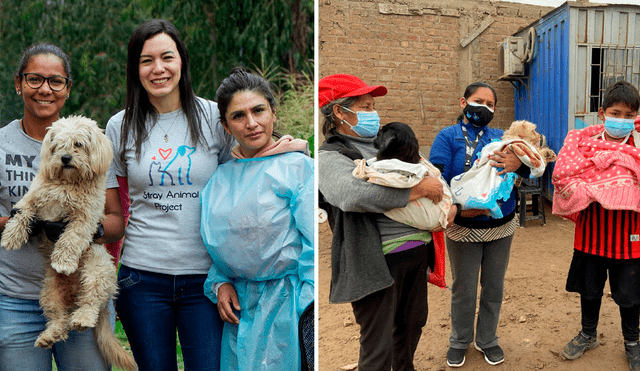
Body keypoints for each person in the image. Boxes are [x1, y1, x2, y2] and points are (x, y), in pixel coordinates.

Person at [105, 19, 226, 371]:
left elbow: (249, 168)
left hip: (207, 279)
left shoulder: (214, 117)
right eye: (146, 60)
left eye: (167, 57)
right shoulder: (119, 126)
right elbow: (115, 211)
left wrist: (290, 146)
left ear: (182, 61)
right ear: (135, 68)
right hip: (142, 280)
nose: (158, 69)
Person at [318, 73, 456, 371]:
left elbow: (430, 171)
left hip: (416, 253)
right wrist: (418, 191)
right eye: (365, 107)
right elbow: (350, 194)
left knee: (411, 326)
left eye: (372, 106)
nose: (372, 113)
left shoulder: (385, 143)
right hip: (374, 261)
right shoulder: (331, 156)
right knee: (377, 345)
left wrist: (449, 203)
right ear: (340, 112)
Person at [0, 43, 124, 371]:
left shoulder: (92, 146)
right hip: (15, 302)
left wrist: (89, 230)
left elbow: (116, 220)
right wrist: (22, 222)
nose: (45, 89)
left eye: (55, 81)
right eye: (34, 79)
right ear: (18, 83)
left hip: (84, 286)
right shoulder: (1, 144)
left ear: (67, 89)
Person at [200, 67, 314, 371]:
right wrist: (220, 282)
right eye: (238, 116)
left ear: (274, 113)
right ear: (225, 125)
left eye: (259, 110)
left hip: (289, 306)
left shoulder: (299, 168)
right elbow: (220, 245)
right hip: (241, 313)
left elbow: (312, 245)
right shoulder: (219, 180)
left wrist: (308, 309)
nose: (251, 123)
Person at [429, 81, 529, 367]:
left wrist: (517, 166)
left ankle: (487, 340)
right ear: (463, 103)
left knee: (494, 287)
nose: (484, 107)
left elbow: (532, 167)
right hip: (462, 227)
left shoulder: (502, 137)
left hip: (500, 226)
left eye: (490, 104)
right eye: (479, 101)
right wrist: (459, 208)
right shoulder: (447, 137)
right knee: (464, 289)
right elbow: (439, 177)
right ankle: (459, 341)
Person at [552, 80, 640, 371]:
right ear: (602, 113)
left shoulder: (639, 145)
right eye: (617, 113)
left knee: (629, 295)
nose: (622, 120)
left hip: (630, 236)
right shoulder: (582, 143)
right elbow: (565, 176)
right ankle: (588, 334)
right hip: (592, 233)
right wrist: (596, 187)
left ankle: (632, 342)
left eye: (629, 115)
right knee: (589, 290)